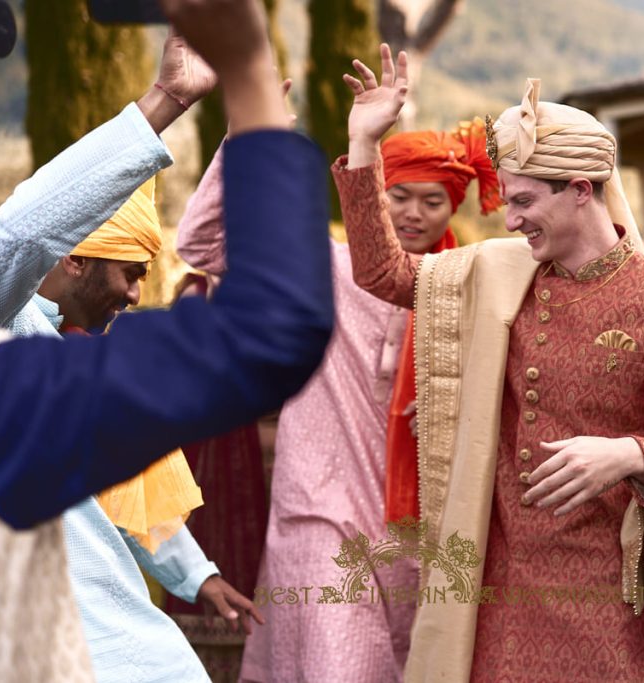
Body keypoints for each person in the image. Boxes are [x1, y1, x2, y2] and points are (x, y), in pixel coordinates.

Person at [333, 45, 644, 682]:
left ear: (581, 191)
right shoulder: (498, 274)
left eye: (524, 201)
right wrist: (363, 144)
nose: (510, 217)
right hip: (491, 593)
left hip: (606, 603)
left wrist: (630, 456)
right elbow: (383, 272)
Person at [0, 0, 334, 679]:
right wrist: (241, 72)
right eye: (131, 272)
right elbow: (267, 331)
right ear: (75, 258)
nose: (139, 292)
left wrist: (193, 573)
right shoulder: (1, 364)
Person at [174, 116, 500, 682]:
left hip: (417, 531)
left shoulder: (464, 288)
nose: (414, 215)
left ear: (454, 208)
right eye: (399, 196)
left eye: (433, 201)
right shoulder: (321, 267)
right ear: (373, 194)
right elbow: (203, 242)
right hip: (318, 510)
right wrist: (242, 141)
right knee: (335, 663)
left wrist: (461, 402)